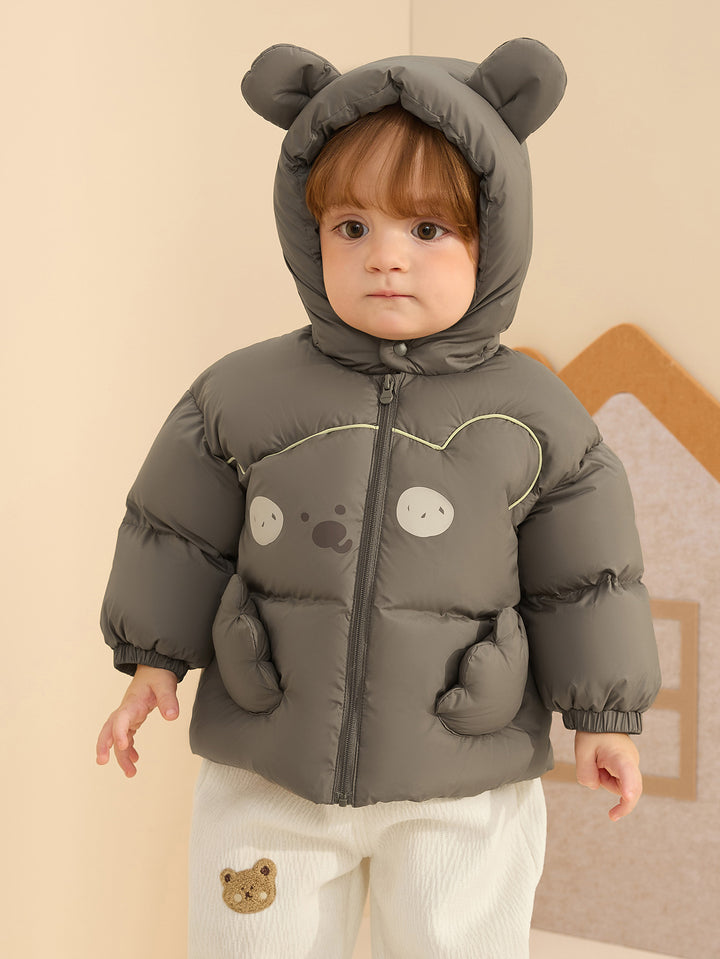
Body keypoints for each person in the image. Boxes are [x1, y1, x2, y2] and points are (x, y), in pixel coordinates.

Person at [96, 40, 662, 959]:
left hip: (461, 772)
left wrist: (604, 717)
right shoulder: (240, 395)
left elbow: (589, 577)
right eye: (353, 226)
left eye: (428, 229)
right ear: (308, 232)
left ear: (493, 236)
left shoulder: (537, 416)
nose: (386, 259)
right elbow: (176, 532)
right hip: (271, 763)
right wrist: (152, 662)